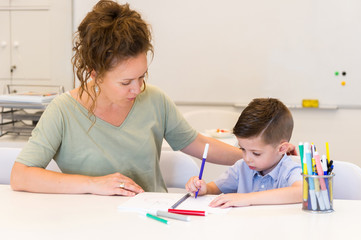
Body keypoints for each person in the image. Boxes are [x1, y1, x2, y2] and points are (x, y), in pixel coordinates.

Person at [10, 0, 243, 196]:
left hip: (152, 221)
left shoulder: (155, 100)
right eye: (125, 82)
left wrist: (257, 157)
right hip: (84, 224)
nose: (138, 88)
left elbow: (199, 145)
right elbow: (21, 175)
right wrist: (93, 184)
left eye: (142, 77)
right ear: (95, 74)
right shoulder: (62, 111)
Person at [186, 98, 302, 207]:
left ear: (282, 149)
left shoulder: (290, 169)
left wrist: (247, 198)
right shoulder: (241, 168)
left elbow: (301, 191)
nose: (247, 158)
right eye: (242, 149)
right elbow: (213, 188)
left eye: (256, 153)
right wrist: (203, 188)